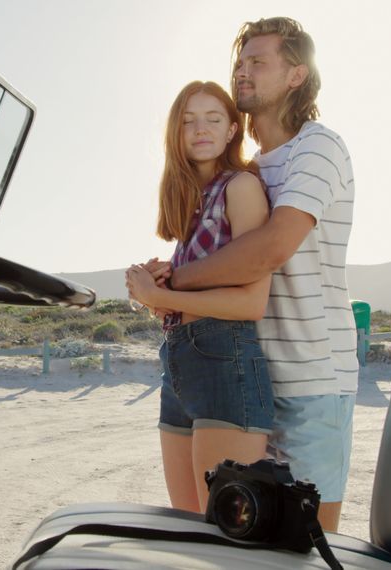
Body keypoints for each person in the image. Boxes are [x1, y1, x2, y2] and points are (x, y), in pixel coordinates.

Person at [140, 17, 357, 532]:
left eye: (258, 62)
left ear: (296, 76)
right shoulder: (252, 168)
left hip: (309, 380)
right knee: (232, 545)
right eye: (240, 62)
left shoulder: (317, 148)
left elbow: (270, 249)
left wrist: (175, 283)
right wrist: (170, 278)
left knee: (304, 543)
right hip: (246, 372)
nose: (243, 71)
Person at [124, 80, 273, 514]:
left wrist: (164, 296)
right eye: (188, 121)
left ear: (232, 131)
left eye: (213, 119)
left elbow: (250, 304)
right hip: (179, 362)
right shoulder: (192, 202)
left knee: (221, 539)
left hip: (227, 363)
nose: (200, 129)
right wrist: (154, 290)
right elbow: (186, 299)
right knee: (185, 527)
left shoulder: (240, 187)